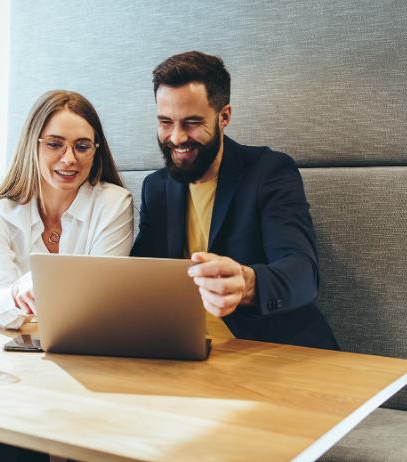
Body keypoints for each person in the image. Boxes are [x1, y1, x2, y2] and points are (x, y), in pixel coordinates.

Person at [132, 51, 339, 350]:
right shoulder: (156, 187)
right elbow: (139, 276)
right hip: (197, 354)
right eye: (166, 122)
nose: (176, 138)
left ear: (224, 116)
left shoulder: (269, 172)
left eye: (191, 123)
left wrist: (247, 283)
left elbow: (303, 273)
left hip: (279, 351)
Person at [0, 90, 133, 329]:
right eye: (55, 144)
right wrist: (12, 294)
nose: (69, 158)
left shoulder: (114, 203)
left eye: (82, 146)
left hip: (88, 349)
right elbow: (0, 310)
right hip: (19, 353)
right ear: (31, 145)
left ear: (95, 150)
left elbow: (101, 303)